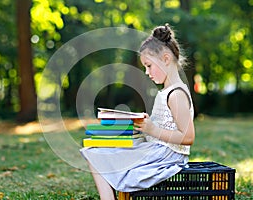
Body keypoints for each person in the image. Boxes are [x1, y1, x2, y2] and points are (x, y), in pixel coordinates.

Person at [80, 24, 195, 200]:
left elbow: (187, 137)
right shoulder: (167, 91)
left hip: (165, 156)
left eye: (149, 66)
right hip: (155, 148)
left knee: (96, 155)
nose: (147, 72)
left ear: (165, 59)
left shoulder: (176, 94)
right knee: (96, 151)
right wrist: (144, 124)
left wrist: (153, 130)